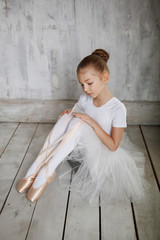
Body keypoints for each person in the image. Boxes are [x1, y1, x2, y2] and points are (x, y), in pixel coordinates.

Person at [16, 49, 150, 205]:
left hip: (100, 159)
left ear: (105, 77)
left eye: (89, 83)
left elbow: (113, 146)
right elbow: (75, 120)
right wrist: (69, 114)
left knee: (80, 123)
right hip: (80, 149)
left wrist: (92, 122)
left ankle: (46, 172)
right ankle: (37, 167)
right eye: (82, 85)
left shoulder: (117, 108)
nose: (85, 89)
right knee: (68, 116)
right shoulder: (85, 98)